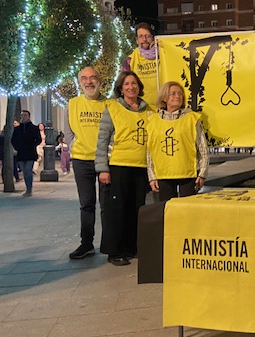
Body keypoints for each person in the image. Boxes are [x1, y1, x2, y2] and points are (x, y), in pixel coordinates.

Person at [95, 70, 154, 266]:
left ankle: (131, 247)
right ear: (121, 88)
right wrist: (103, 168)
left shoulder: (149, 111)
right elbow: (103, 139)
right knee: (116, 210)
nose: (131, 87)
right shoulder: (111, 107)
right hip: (118, 166)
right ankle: (115, 251)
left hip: (140, 167)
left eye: (134, 84)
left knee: (136, 209)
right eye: (127, 84)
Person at [66, 67, 109, 259]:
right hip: (81, 161)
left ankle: (110, 244)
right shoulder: (73, 104)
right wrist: (74, 145)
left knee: (107, 204)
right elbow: (68, 132)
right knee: (86, 204)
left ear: (100, 81)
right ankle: (87, 243)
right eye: (84, 78)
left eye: (92, 78)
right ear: (79, 82)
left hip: (105, 161)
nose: (88, 81)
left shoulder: (110, 104)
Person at [147, 81, 209, 201]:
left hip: (188, 174)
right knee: (167, 211)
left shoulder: (191, 119)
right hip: (163, 175)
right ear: (164, 97)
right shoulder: (153, 121)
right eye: (173, 94)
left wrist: (202, 173)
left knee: (188, 212)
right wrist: (152, 176)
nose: (177, 96)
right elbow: (150, 152)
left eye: (180, 94)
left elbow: (202, 148)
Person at [121, 22, 159, 107]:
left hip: (163, 106)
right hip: (141, 107)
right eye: (141, 36)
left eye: (148, 36)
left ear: (153, 38)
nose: (144, 39)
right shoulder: (130, 60)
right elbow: (122, 85)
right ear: (137, 40)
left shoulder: (163, 55)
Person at [11, 110, 41, 196]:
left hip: (30, 152)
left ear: (29, 116)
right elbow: (13, 140)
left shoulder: (34, 128)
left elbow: (38, 139)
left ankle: (29, 189)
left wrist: (32, 145)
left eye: (25, 115)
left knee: (28, 170)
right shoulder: (17, 129)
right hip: (21, 153)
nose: (23, 117)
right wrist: (17, 147)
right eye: (22, 115)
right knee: (24, 171)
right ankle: (27, 188)